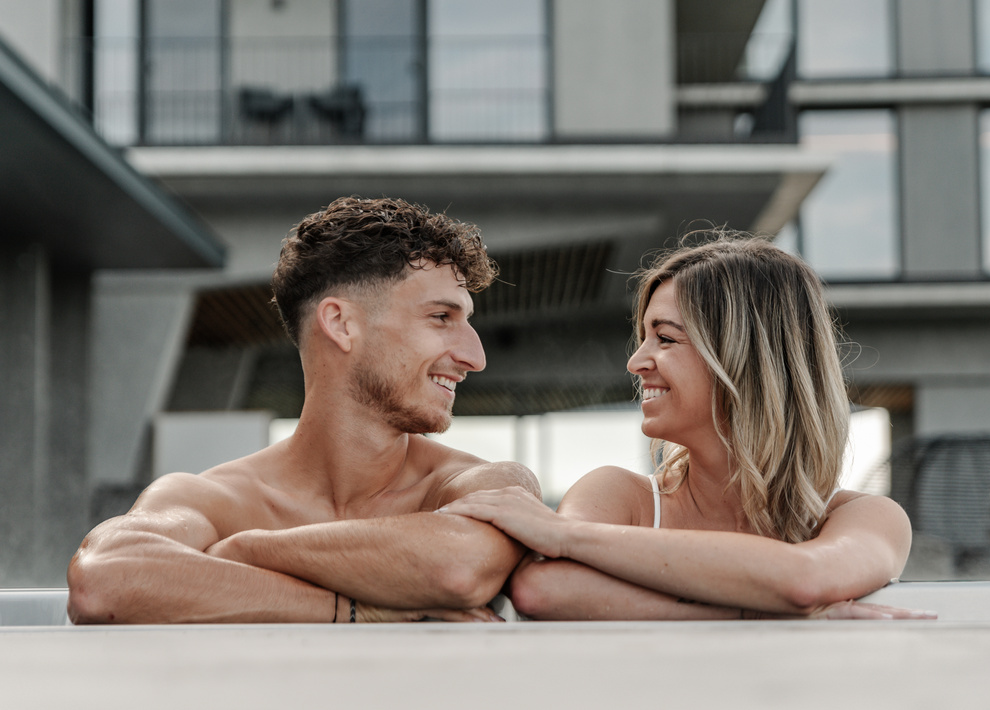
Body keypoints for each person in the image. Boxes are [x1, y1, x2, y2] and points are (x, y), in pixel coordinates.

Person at [67, 196, 539, 624]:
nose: (475, 357)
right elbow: (103, 580)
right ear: (341, 324)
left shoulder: (477, 487)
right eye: (442, 317)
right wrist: (351, 610)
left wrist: (245, 548)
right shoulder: (219, 498)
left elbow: (457, 569)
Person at [440, 234, 933, 621]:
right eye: (643, 337)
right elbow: (544, 589)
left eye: (666, 339)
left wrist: (563, 536)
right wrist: (765, 608)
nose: (636, 362)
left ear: (744, 359)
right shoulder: (621, 495)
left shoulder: (868, 519)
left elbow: (805, 578)